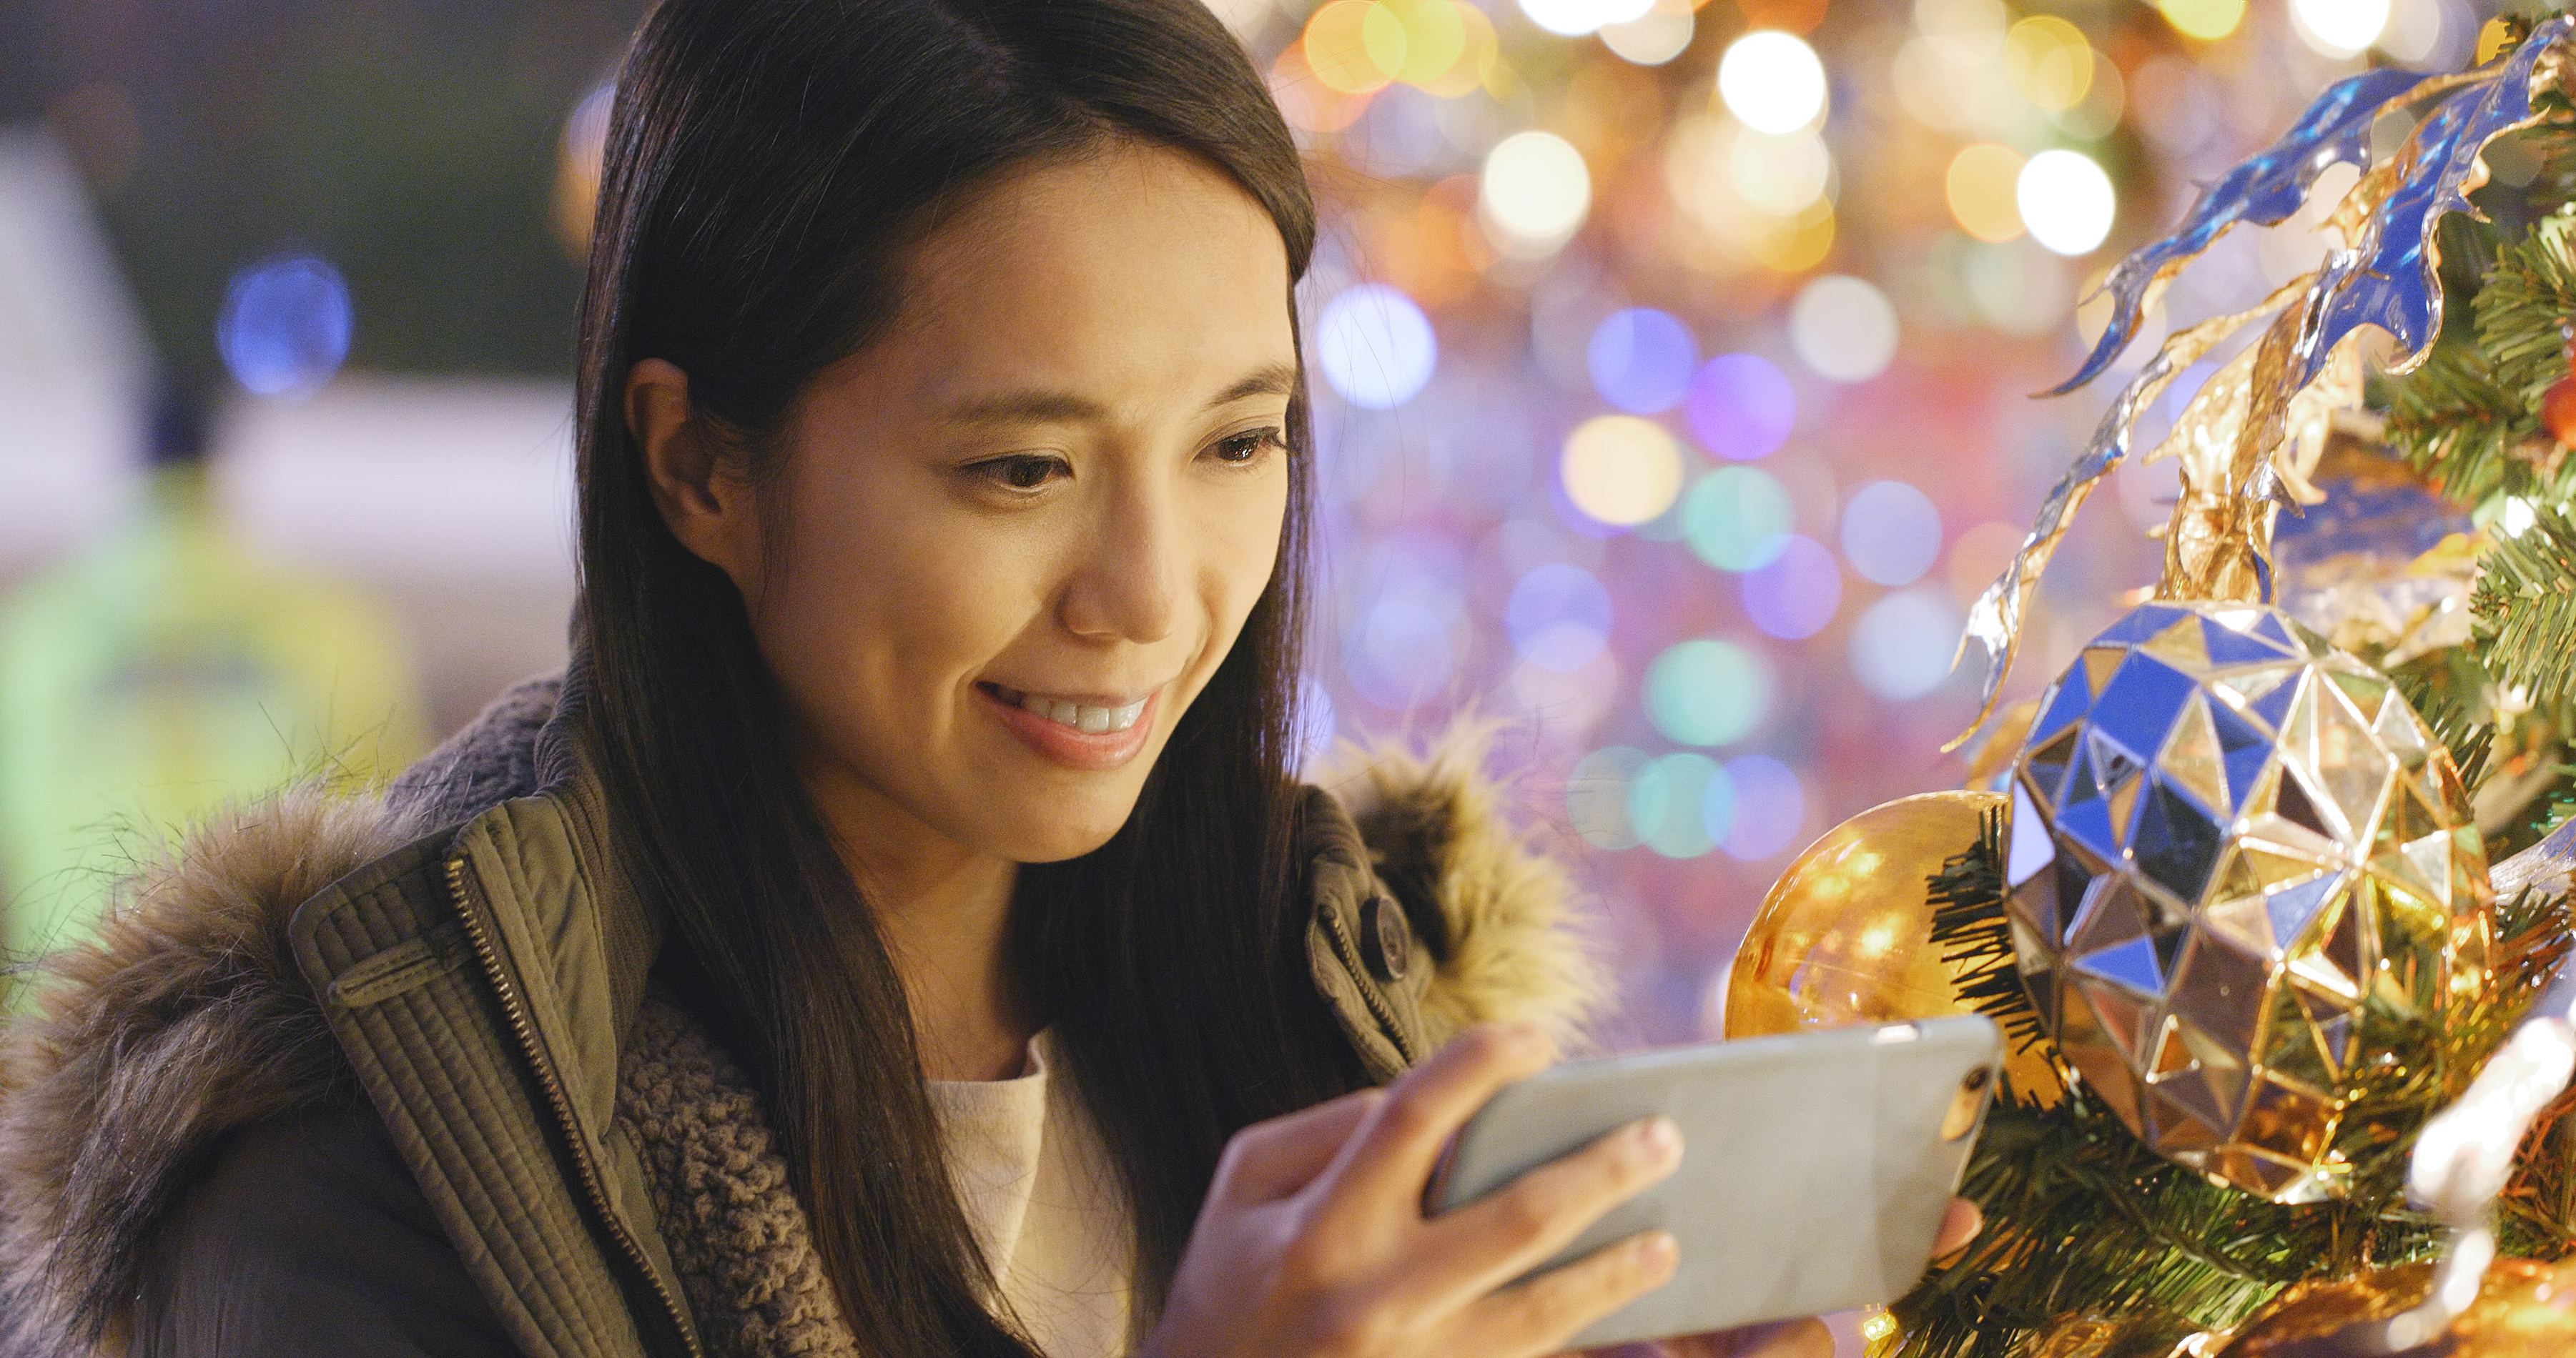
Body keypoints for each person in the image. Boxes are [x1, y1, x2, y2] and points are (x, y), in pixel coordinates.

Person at [0, 0, 1976, 1353]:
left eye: (1235, 443)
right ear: (697, 461)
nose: (1147, 592)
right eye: (1020, 468)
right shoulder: (376, 1137)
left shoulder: (1332, 984)